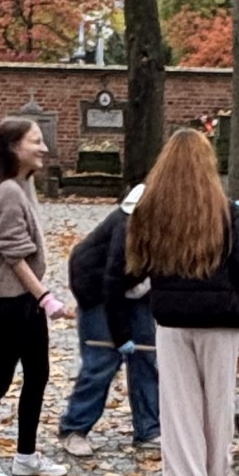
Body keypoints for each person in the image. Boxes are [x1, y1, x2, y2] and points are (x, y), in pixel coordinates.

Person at [106, 128, 239, 476]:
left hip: (172, 319)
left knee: (180, 407)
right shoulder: (228, 213)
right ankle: (216, 475)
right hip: (221, 320)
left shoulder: (151, 212)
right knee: (218, 402)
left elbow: (133, 267)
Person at [0, 116, 69, 476]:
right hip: (9, 303)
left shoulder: (21, 185)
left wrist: (38, 298)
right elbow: (14, 256)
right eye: (35, 141)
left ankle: (25, 456)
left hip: (25, 301)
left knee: (37, 375)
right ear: (13, 147)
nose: (44, 148)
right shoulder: (7, 192)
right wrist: (46, 297)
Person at [57, 185, 159, 457]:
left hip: (136, 288)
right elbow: (112, 283)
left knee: (146, 356)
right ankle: (74, 427)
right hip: (98, 290)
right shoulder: (127, 226)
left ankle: (149, 429)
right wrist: (121, 335)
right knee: (102, 360)